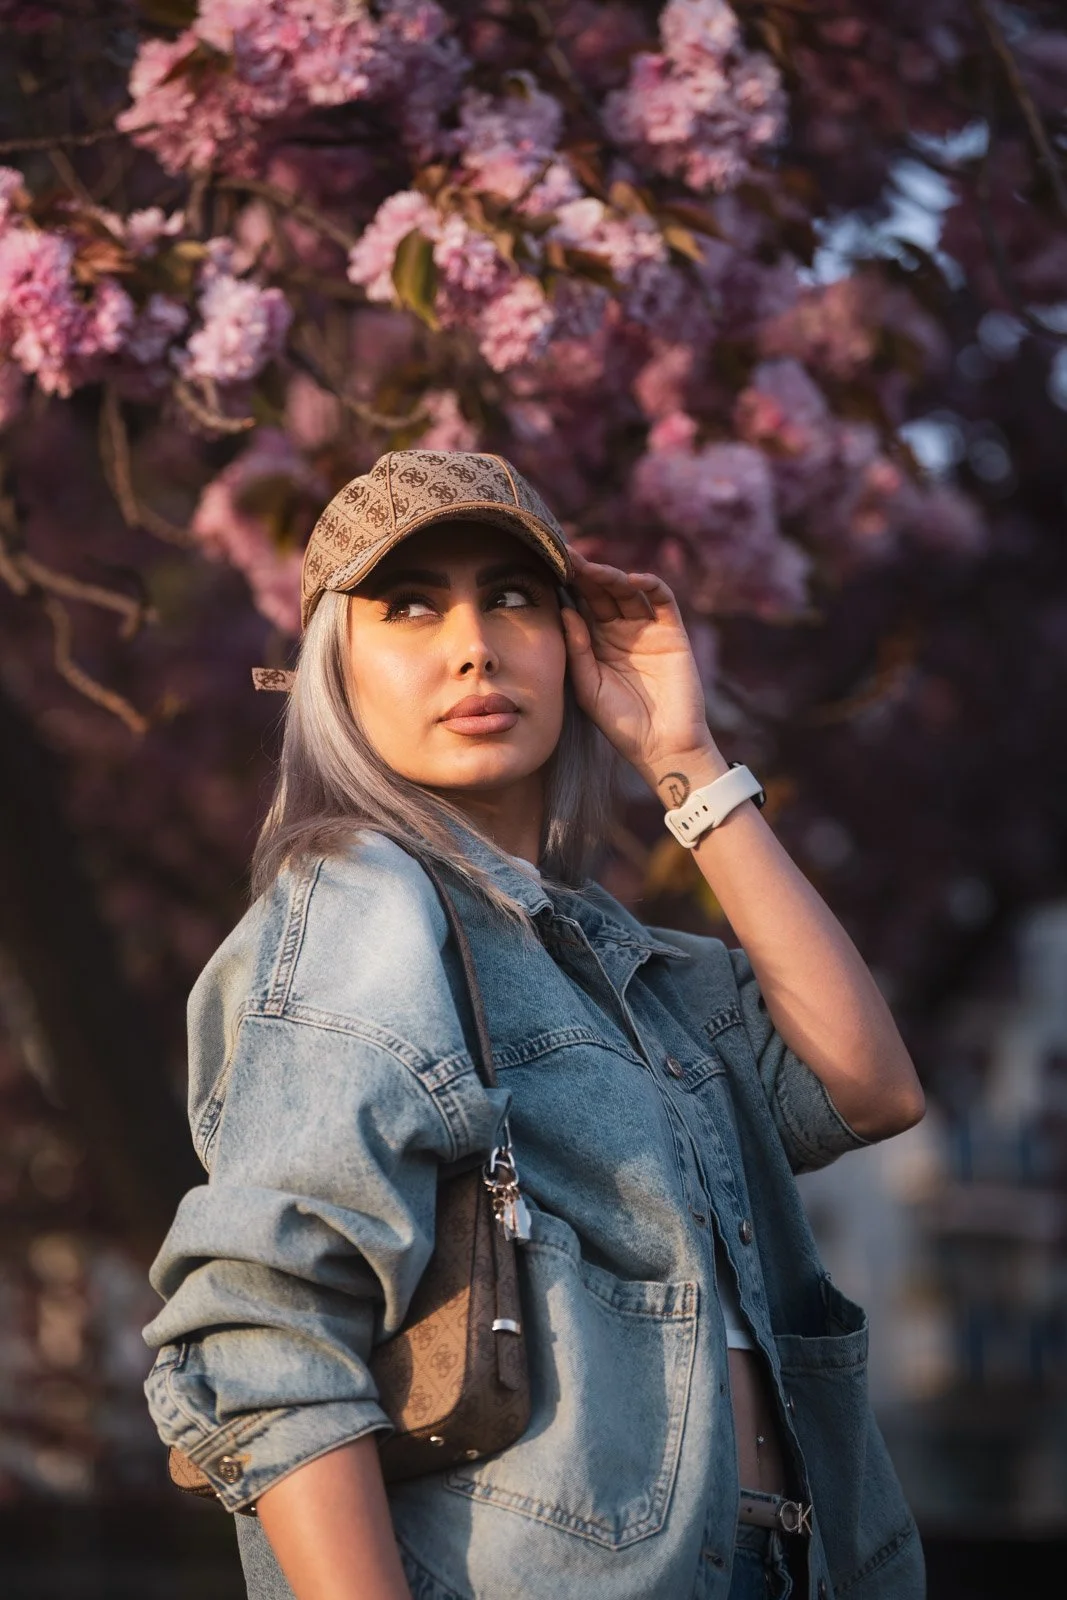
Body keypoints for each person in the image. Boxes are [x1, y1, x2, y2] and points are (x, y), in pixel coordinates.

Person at [143, 450, 927, 1600]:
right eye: (410, 605)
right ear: (333, 670)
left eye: (510, 596)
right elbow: (268, 1333)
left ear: (568, 642)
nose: (473, 643)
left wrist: (682, 758)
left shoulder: (624, 962)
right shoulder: (362, 900)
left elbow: (866, 1086)